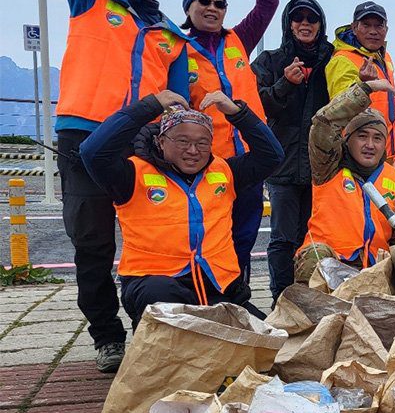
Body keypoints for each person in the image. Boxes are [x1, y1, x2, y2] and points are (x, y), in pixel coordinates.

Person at [52, 0, 191, 372]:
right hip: (84, 135)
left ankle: (147, 327)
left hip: (141, 141)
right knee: (91, 242)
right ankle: (107, 338)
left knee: (152, 237)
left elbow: (177, 102)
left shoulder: (172, 35)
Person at [79, 90, 283, 329]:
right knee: (161, 298)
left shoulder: (225, 172)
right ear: (161, 141)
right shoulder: (132, 175)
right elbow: (92, 152)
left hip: (218, 289)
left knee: (272, 343)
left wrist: (239, 114)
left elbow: (272, 156)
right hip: (158, 289)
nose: (193, 150)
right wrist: (149, 106)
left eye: (202, 143)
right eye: (183, 141)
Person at [180, 0, 279, 279]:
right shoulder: (177, 49)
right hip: (210, 161)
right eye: (203, 1)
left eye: (219, 3)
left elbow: (269, 4)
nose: (212, 8)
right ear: (188, 7)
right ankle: (208, 295)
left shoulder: (239, 39)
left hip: (249, 157)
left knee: (246, 232)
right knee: (211, 232)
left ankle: (239, 294)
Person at [251, 0, 334, 301]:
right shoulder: (270, 61)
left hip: (322, 167)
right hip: (282, 164)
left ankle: (310, 296)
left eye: (311, 19)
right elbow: (257, 107)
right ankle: (281, 299)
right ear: (288, 24)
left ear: (320, 24)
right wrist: (285, 83)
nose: (305, 24)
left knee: (315, 237)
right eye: (298, 18)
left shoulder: (332, 60)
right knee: (283, 238)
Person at [293, 79, 395, 282]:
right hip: (331, 262)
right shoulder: (327, 167)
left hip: (376, 268)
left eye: (377, 138)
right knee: (314, 255)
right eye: (362, 136)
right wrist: (366, 89)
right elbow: (323, 123)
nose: (370, 144)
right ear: (347, 139)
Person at [326, 2, 395, 163]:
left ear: (386, 30)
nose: (373, 31)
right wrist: (362, 83)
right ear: (354, 27)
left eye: (378, 26)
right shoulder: (342, 60)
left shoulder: (385, 58)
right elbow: (338, 109)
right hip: (359, 156)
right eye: (366, 25)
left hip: (384, 154)